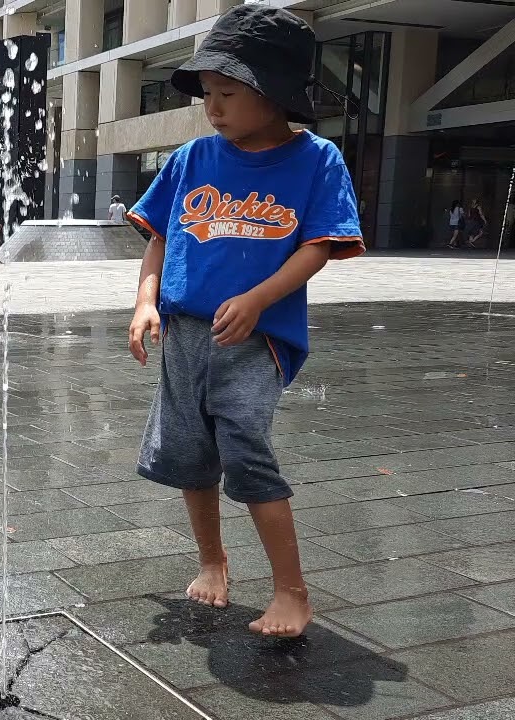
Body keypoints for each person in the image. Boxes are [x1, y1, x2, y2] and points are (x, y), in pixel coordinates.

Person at [125, 5, 364, 638]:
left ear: (275, 94)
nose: (214, 107)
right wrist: (147, 300)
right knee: (187, 451)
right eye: (208, 94)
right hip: (185, 332)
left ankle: (292, 591)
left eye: (228, 93)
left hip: (256, 337)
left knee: (243, 448)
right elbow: (159, 239)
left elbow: (319, 245)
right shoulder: (193, 157)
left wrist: (260, 297)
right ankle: (213, 561)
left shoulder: (316, 161)